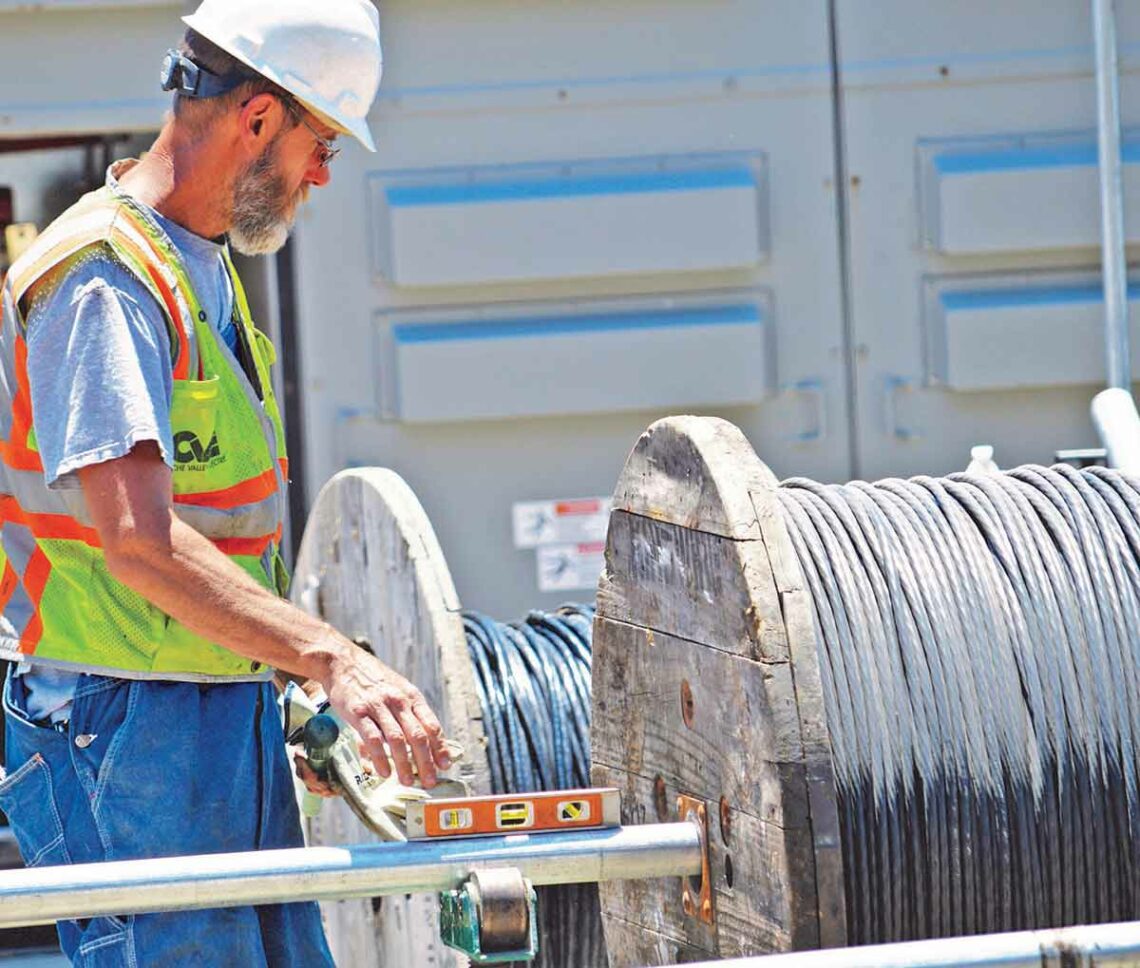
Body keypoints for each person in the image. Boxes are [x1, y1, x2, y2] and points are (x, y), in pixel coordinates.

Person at [0, 1, 451, 963]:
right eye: (321, 140)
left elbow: (216, 536)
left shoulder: (192, 266)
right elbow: (136, 540)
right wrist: (329, 657)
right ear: (258, 120)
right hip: (121, 727)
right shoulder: (104, 277)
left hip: (198, 711)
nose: (325, 172)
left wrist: (289, 692)